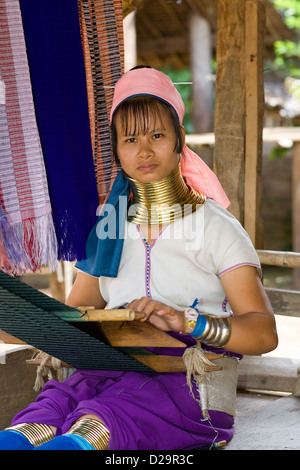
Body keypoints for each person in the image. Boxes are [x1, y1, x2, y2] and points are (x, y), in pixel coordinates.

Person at [0, 67, 278, 451]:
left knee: (94, 427)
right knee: (34, 425)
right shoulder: (109, 226)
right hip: (106, 372)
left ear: (180, 141)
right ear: (116, 150)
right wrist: (21, 322)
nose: (144, 150)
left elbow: (264, 333)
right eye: (130, 139)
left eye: (158, 135)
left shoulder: (217, 227)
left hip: (189, 389)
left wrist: (187, 321)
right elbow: (77, 315)